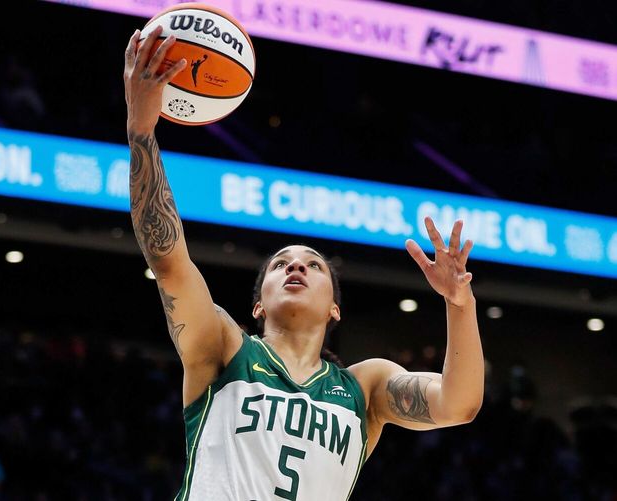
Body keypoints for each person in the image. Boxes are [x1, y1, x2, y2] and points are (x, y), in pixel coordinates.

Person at [124, 26, 484, 500]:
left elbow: (458, 406)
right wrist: (142, 133)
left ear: (336, 308)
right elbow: (169, 260)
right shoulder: (225, 349)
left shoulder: (366, 387)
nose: (296, 268)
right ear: (257, 306)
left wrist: (460, 304)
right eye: (280, 265)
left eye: (314, 266)